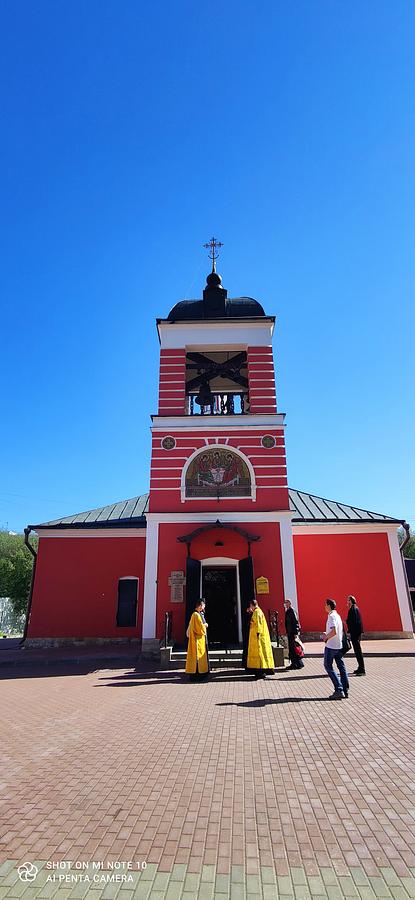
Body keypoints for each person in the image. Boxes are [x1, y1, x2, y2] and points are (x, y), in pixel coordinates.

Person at [322, 599, 349, 699]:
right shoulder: (337, 615)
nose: (324, 607)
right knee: (341, 667)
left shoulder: (331, 616)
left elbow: (334, 631)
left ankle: (339, 689)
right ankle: (345, 689)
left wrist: (326, 637)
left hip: (331, 646)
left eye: (325, 605)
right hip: (338, 645)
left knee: (328, 666)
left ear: (329, 606)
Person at [245, 599, 274, 679]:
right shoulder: (259, 611)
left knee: (259, 654)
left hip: (257, 637)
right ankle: (265, 670)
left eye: (251, 606)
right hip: (260, 636)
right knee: (262, 653)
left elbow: (257, 624)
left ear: (252, 605)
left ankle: (260, 673)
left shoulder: (257, 612)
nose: (250, 607)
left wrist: (257, 634)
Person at [185, 599, 209, 679]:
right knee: (197, 658)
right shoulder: (196, 615)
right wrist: (205, 625)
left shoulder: (197, 614)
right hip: (197, 640)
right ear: (200, 606)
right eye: (203, 606)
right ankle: (198, 676)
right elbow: (199, 628)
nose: (203, 607)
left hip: (198, 640)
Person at [346, 595, 365, 675]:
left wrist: (347, 623)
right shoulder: (355, 608)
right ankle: (360, 668)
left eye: (348, 600)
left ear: (351, 601)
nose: (347, 602)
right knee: (357, 651)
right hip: (356, 633)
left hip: (355, 633)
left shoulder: (353, 609)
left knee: (358, 651)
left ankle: (362, 669)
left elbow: (354, 622)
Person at [284, 598, 302, 669]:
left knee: (294, 648)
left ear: (290, 603)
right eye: (285, 602)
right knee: (292, 649)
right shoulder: (288, 611)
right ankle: (296, 663)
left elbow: (295, 622)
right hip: (290, 632)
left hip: (292, 633)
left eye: (286, 602)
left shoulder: (292, 611)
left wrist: (296, 633)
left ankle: (296, 664)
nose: (285, 604)